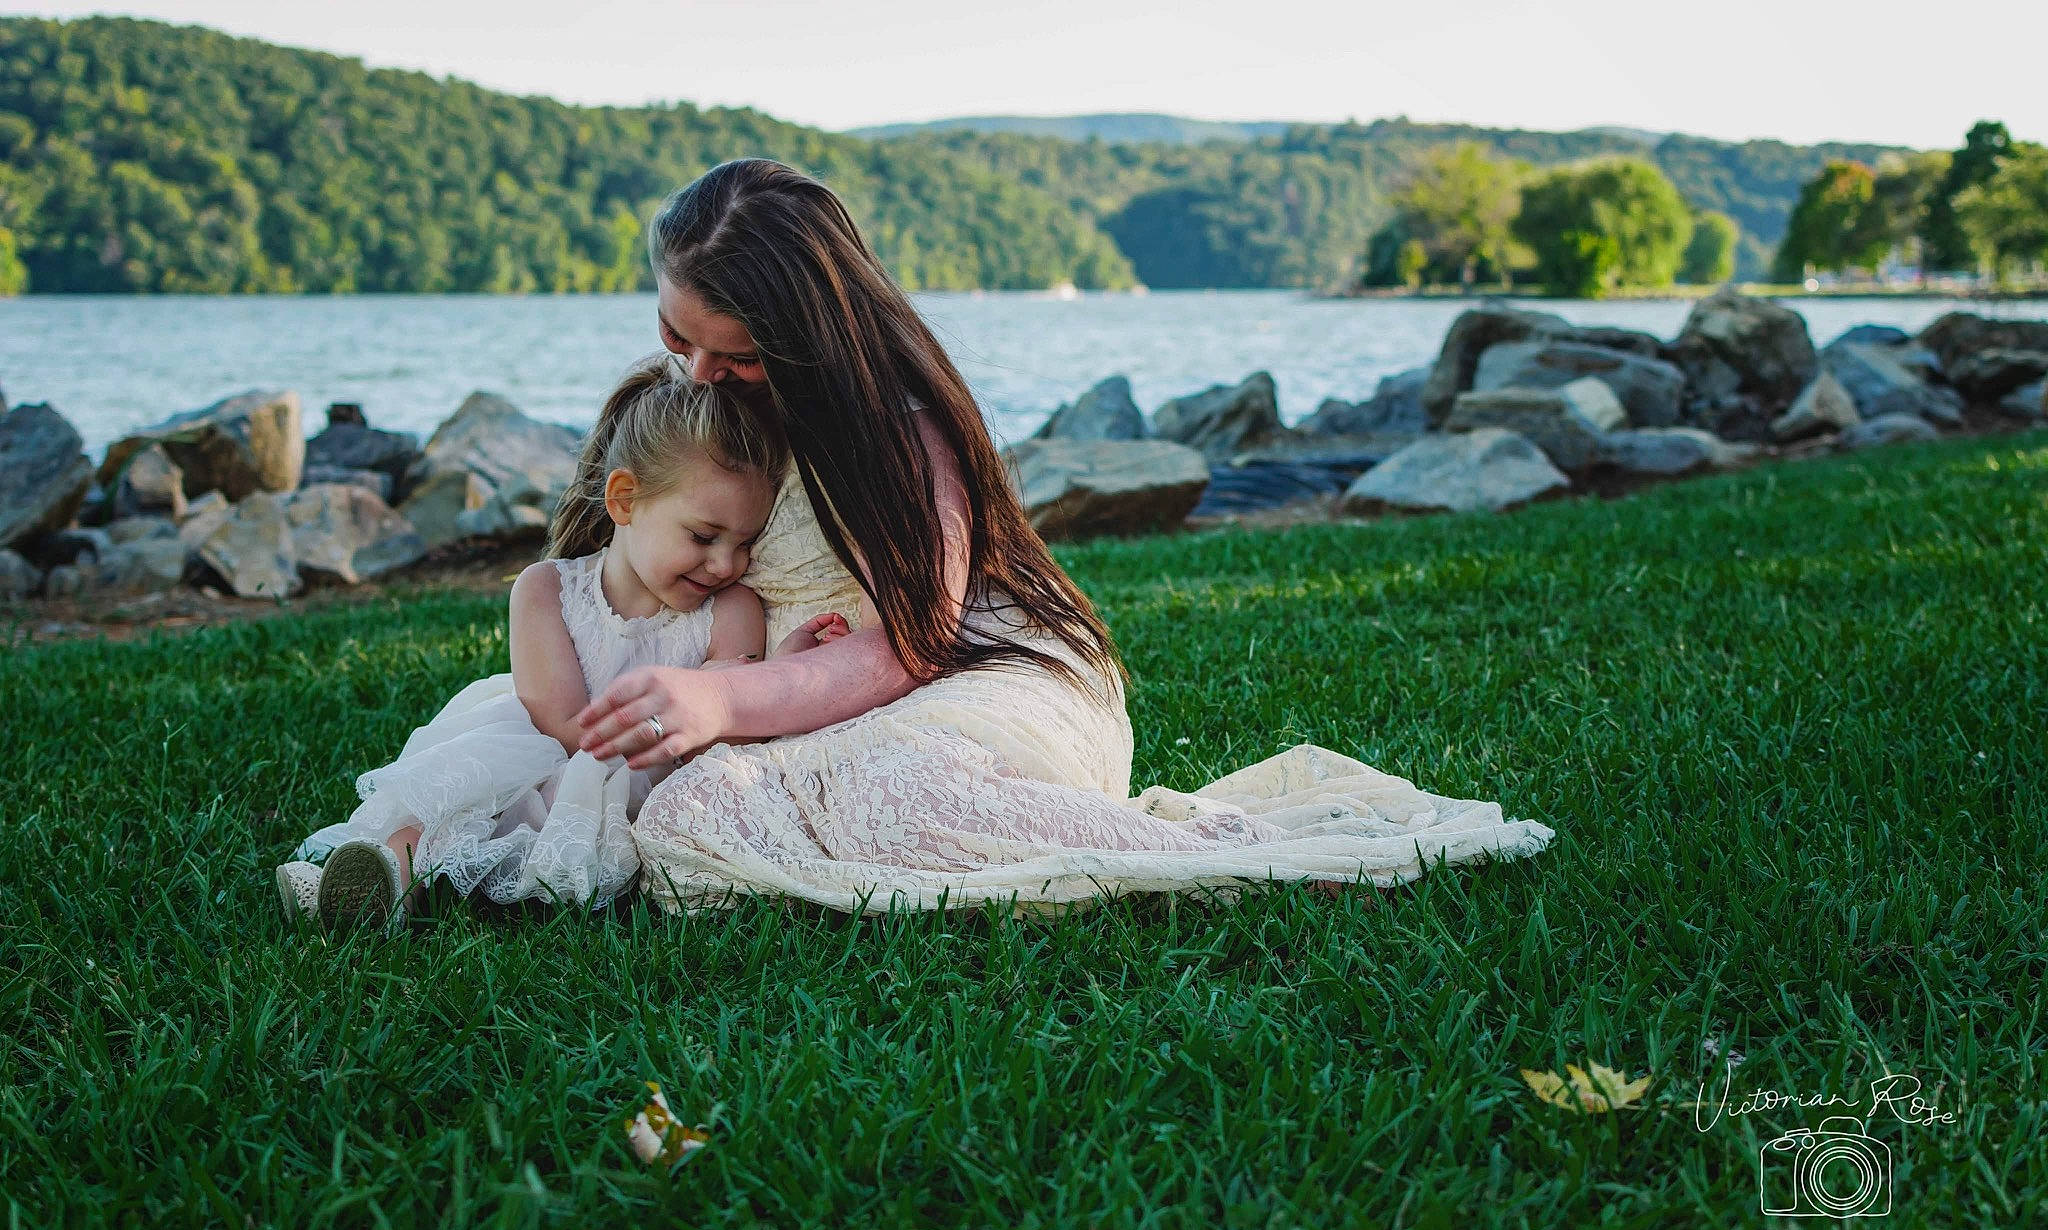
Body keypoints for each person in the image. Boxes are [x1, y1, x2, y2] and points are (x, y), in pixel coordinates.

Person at [577, 159, 1555, 914]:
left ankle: (1227, 857)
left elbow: (910, 647)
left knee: (893, 793)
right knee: (687, 827)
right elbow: (606, 571)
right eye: (676, 338)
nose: (697, 373)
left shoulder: (899, 431)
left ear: (808, 334)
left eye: (735, 354)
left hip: (971, 679)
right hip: (795, 691)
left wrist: (726, 696)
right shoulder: (692, 415)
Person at [275, 354, 848, 926]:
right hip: (547, 749)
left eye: (745, 543)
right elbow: (557, 719)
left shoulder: (731, 607)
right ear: (624, 501)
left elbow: (727, 709)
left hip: (648, 783)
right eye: (703, 536)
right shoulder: (547, 589)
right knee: (461, 802)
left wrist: (776, 671)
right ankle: (374, 882)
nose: (726, 563)